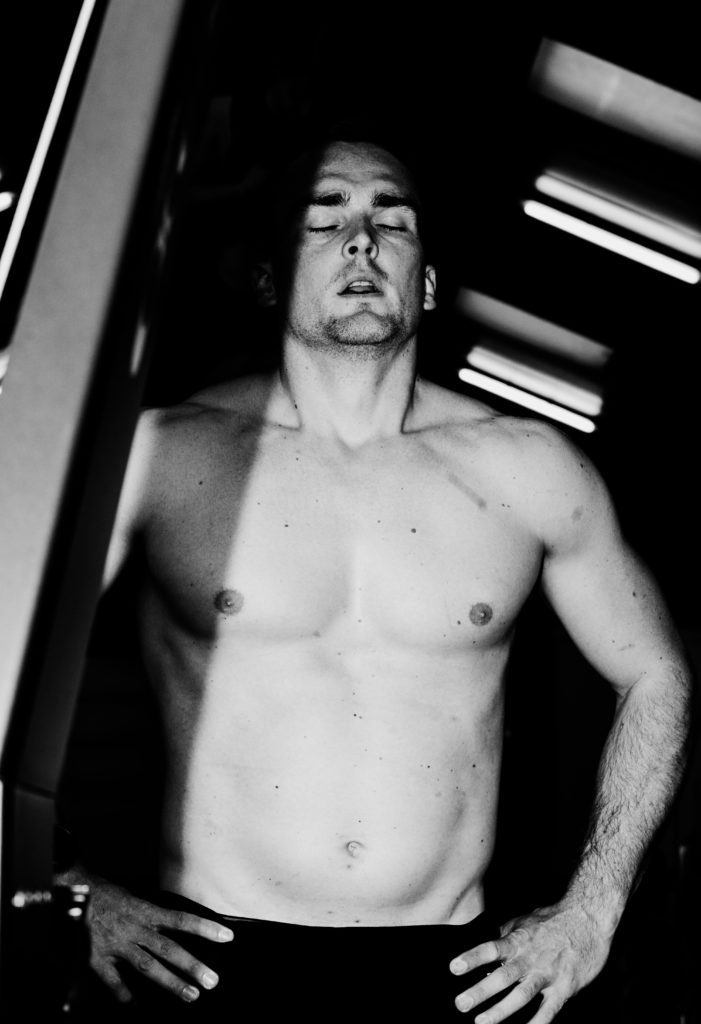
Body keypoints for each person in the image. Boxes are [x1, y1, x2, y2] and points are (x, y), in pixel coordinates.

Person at [56, 135, 692, 1022]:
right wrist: (68, 885)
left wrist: (594, 908)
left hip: (447, 970)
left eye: (391, 220)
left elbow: (655, 672)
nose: (361, 240)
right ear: (270, 278)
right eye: (324, 221)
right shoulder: (160, 459)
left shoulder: (529, 469)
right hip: (208, 962)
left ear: (425, 283)